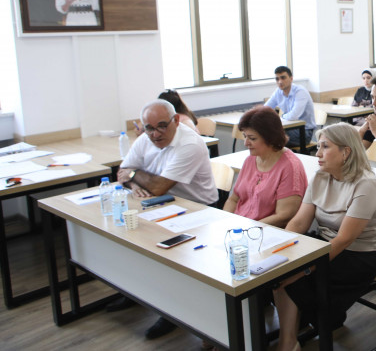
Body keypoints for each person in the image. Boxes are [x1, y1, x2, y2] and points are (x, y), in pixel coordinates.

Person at [110, 99, 218, 338]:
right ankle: (134, 292)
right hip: (161, 206)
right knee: (132, 242)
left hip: (199, 211)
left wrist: (135, 174)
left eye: (161, 126)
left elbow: (158, 186)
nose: (155, 134)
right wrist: (131, 181)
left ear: (176, 121)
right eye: (149, 128)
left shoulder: (189, 143)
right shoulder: (144, 139)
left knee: (170, 256)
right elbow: (121, 172)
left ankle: (171, 313)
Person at [273, 123, 376, 351]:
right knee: (275, 272)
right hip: (324, 244)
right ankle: (298, 324)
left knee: (294, 280)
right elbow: (299, 222)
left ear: (346, 152)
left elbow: (344, 239)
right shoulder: (320, 176)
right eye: (319, 146)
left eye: (325, 146)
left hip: (358, 255)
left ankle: (289, 341)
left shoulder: (365, 184)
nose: (318, 153)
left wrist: (305, 269)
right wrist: (279, 249)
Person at [222, 106, 307, 226]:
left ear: (270, 138)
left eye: (252, 138)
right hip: (241, 227)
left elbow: (284, 216)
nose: (246, 143)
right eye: (245, 136)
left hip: (264, 232)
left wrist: (249, 228)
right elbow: (233, 199)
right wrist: (226, 222)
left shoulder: (290, 166)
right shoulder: (250, 160)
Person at [265, 66, 316, 148]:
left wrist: (281, 117)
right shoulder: (278, 91)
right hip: (289, 129)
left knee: (270, 138)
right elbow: (265, 109)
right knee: (264, 133)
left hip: (304, 132)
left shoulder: (300, 91)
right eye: (277, 79)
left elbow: (294, 116)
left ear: (291, 78)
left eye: (283, 78)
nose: (280, 81)